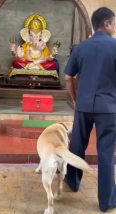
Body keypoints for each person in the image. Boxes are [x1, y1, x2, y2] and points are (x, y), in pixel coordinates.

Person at [64, 7, 116, 212]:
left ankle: (73, 182)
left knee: (77, 146)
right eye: (113, 23)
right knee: (106, 152)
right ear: (106, 24)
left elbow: (68, 77)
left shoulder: (80, 48)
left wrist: (76, 99)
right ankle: (106, 201)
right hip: (109, 108)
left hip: (84, 105)